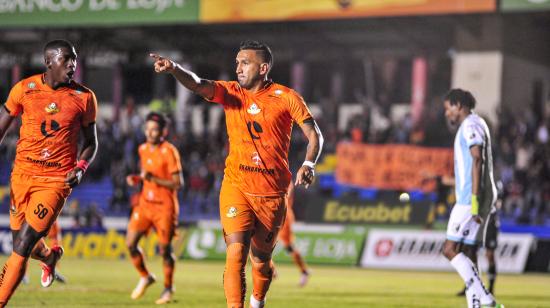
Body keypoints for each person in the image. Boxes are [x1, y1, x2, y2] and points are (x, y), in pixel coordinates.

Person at [151, 40, 323, 308]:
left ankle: (258, 301)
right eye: (237, 63)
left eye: (245, 63)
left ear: (263, 67)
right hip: (236, 185)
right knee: (235, 252)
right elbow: (198, 83)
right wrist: (174, 68)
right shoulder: (230, 92)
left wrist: (309, 164)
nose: (238, 68)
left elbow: (314, 135)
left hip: (271, 193)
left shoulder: (286, 97)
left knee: (261, 262)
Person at [0, 39, 98, 306]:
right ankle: (49, 257)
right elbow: (2, 125)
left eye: (74, 59)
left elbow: (91, 143)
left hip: (56, 180)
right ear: (48, 62)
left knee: (21, 246)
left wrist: (80, 168)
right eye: (66, 58)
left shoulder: (84, 97)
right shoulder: (24, 89)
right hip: (22, 176)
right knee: (23, 244)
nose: (72, 64)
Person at [441, 88, 502, 308]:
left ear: (458, 105)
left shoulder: (470, 125)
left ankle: (485, 299)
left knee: (450, 249)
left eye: (448, 109)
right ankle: (475, 304)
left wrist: (474, 201)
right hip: (476, 196)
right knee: (468, 251)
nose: (447, 114)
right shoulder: (478, 123)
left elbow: (477, 159)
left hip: (470, 197)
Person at [126, 112, 183, 305]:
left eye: (155, 130)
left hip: (164, 208)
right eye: (148, 129)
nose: (150, 133)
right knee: (130, 243)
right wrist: (138, 179)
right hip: (145, 205)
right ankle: (146, 276)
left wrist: (153, 179)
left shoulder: (169, 151)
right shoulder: (142, 149)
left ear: (163, 132)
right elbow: (147, 175)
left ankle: (168, 287)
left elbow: (177, 183)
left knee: (165, 251)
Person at [276, 182, 310, 287]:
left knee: (289, 247)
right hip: (269, 213)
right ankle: (269, 269)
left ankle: (304, 271)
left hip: (283, 215)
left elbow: (285, 196)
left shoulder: (285, 176)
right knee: (257, 241)